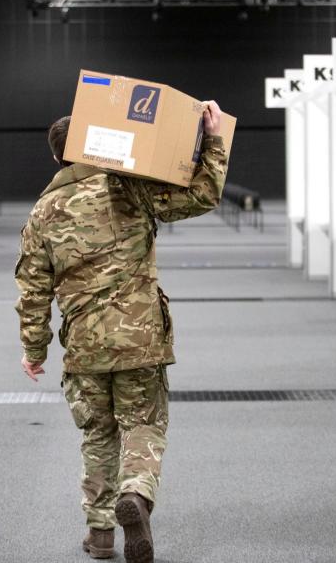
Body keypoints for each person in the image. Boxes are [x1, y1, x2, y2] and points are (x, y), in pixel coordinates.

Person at [14, 101, 228, 563]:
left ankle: (101, 533)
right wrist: (212, 141)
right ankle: (136, 493)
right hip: (141, 339)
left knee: (98, 435)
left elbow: (33, 291)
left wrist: (34, 350)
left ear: (57, 159)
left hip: (84, 347)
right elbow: (201, 196)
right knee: (143, 424)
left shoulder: (42, 213)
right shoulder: (130, 187)